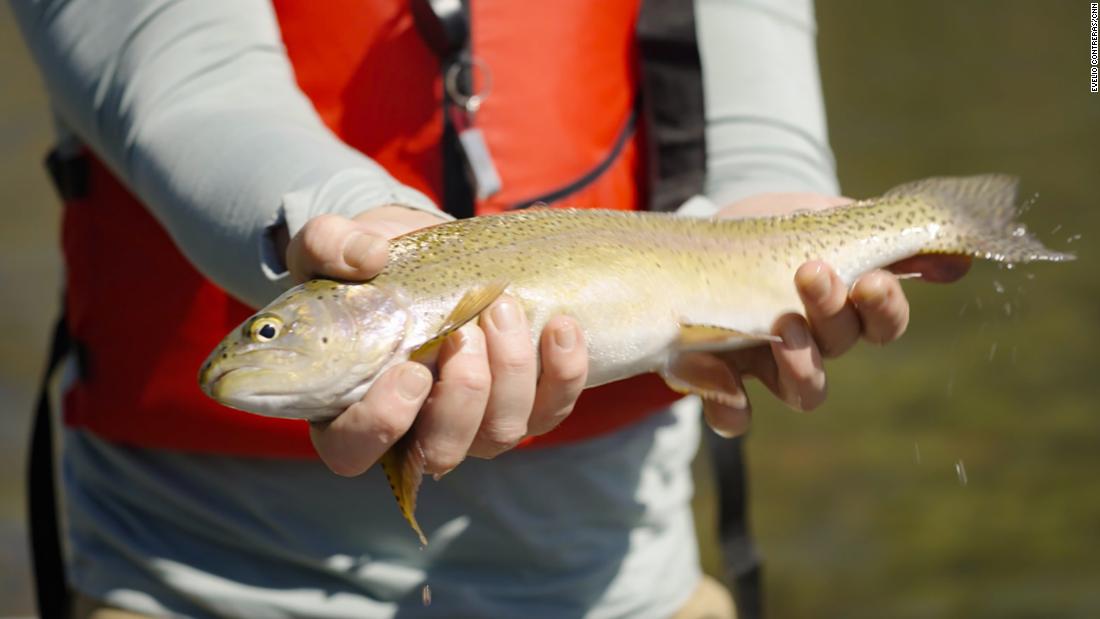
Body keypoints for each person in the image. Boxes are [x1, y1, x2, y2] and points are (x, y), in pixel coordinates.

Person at [13, 1, 961, 617]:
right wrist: (336, 219)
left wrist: (778, 208)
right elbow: (174, 73)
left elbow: (749, 94)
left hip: (620, 574)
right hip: (198, 573)